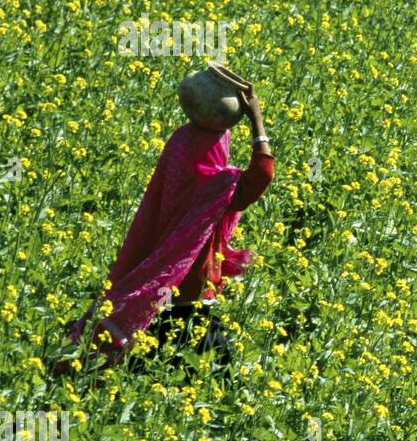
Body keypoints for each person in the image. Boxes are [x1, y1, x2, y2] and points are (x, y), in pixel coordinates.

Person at [57, 81, 274, 376]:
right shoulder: (213, 186)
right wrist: (257, 121)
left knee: (145, 365)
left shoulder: (182, 145)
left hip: (157, 297)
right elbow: (260, 177)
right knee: (208, 376)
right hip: (186, 301)